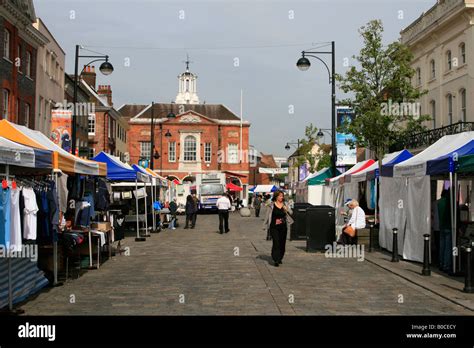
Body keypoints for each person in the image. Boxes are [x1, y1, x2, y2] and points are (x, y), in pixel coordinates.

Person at [263, 190, 294, 267]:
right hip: (274, 227)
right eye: (280, 196)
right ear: (276, 197)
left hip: (283, 227)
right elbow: (267, 216)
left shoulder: (285, 204)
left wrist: (287, 209)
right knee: (276, 243)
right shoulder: (271, 205)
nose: (281, 197)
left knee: (282, 243)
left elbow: (291, 212)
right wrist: (264, 225)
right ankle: (275, 259)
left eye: (282, 196)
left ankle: (280, 258)